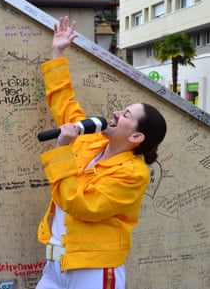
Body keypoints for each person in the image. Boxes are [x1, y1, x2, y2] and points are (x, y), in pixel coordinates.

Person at [36, 16, 167, 289]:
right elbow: (65, 105)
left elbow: (81, 206)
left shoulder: (133, 174)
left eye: (126, 114)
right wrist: (58, 52)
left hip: (93, 271)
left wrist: (61, 149)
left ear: (136, 136)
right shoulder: (91, 141)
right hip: (55, 266)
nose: (117, 112)